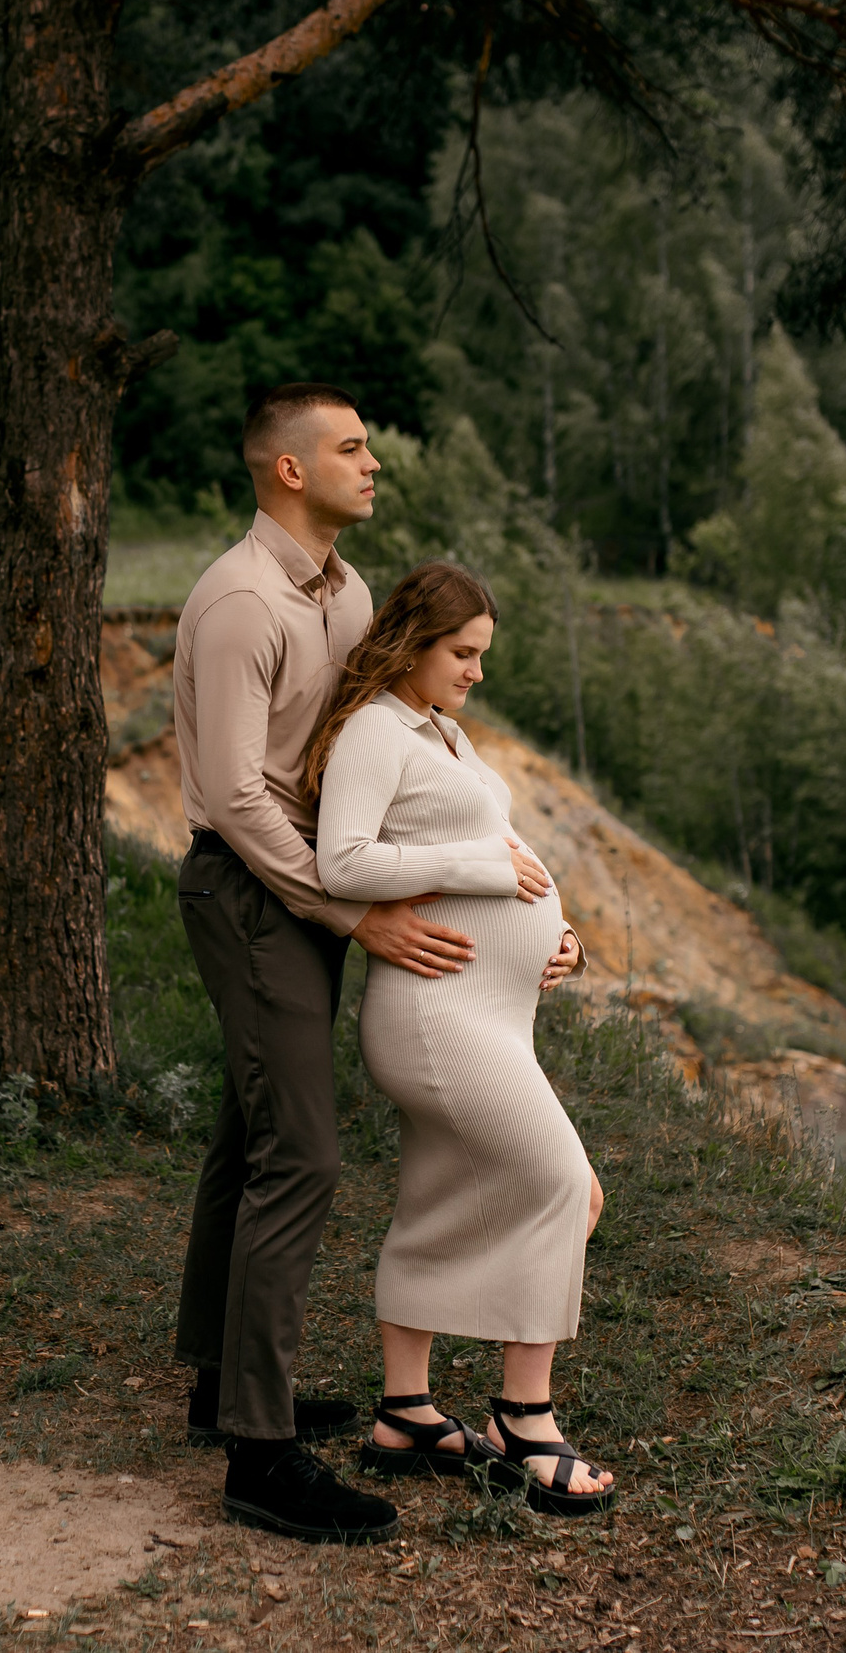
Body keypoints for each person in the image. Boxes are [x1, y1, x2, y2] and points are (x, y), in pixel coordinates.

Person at [171, 385, 582, 1545]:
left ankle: (219, 1384)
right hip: (252, 890)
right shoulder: (240, 602)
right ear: (289, 470)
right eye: (351, 448)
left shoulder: (343, 591)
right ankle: (261, 1455)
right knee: (297, 1155)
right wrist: (351, 914)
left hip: (298, 892)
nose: (373, 463)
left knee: (247, 1135)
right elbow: (242, 792)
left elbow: (376, 731)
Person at [305, 560, 616, 1516]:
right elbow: (343, 860)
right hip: (436, 1019)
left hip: (485, 1013)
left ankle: (404, 1412)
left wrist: (554, 938)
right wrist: (483, 865)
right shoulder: (373, 732)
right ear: (413, 642)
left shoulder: (438, 731)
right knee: (567, 1184)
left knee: (440, 1200)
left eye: (482, 654)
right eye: (463, 652)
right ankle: (527, 1419)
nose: (478, 670)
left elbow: (502, 867)